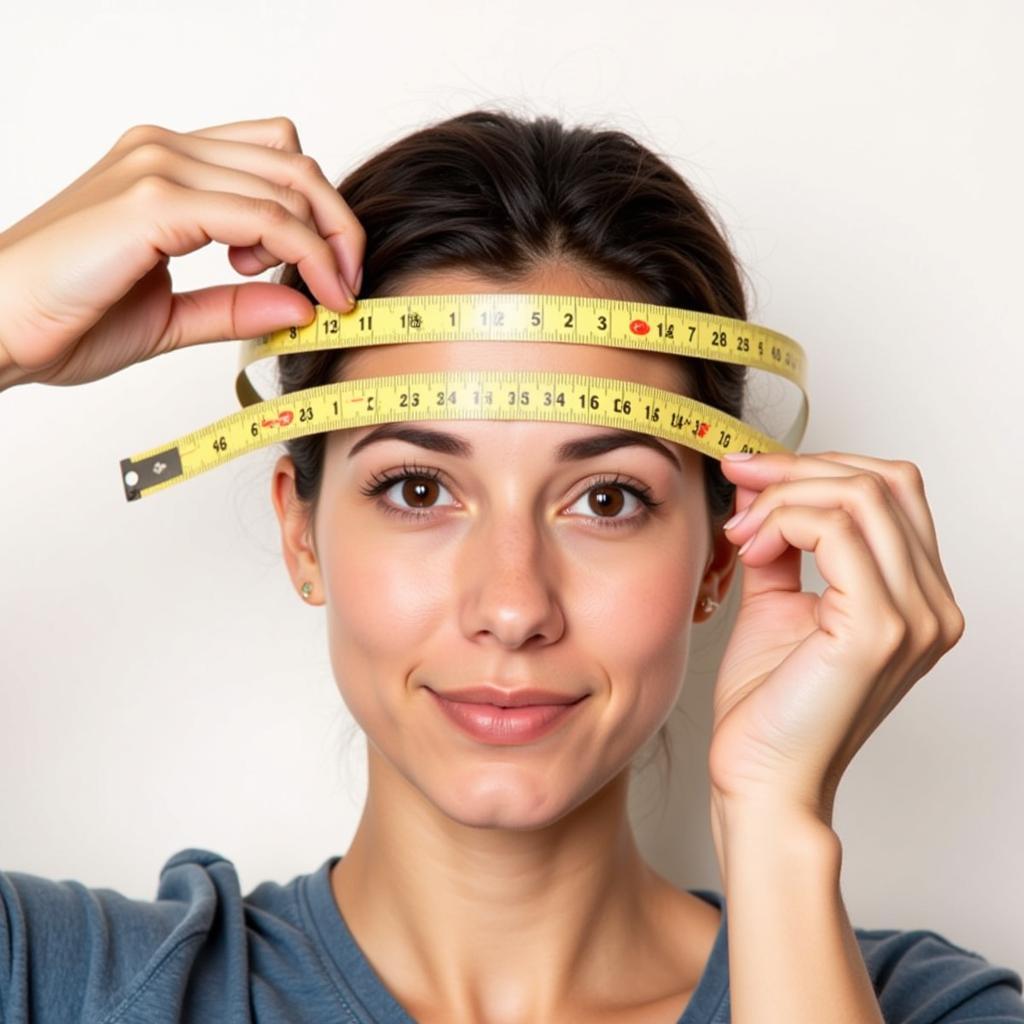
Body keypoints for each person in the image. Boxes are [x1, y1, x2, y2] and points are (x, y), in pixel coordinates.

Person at [0, 112, 1020, 1024]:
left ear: (723, 554)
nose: (512, 606)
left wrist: (775, 829)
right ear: (301, 533)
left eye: (607, 498)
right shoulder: (62, 983)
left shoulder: (923, 1008)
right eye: (416, 488)